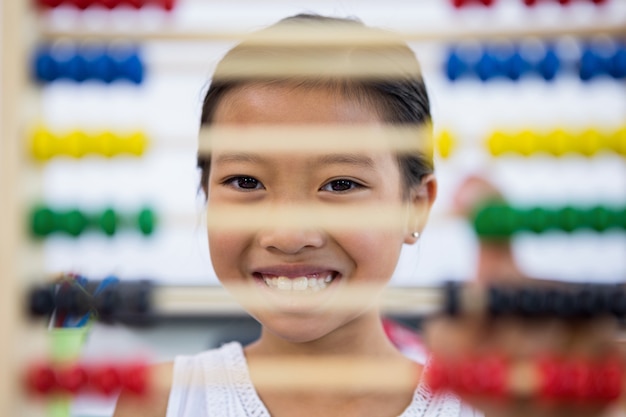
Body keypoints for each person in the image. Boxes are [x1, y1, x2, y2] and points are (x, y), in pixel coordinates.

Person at [114, 14, 619, 417]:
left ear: (415, 205)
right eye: (245, 182)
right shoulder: (160, 400)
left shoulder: (498, 403)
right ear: (205, 196)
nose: (289, 234)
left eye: (341, 184)